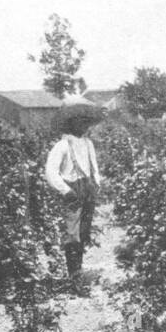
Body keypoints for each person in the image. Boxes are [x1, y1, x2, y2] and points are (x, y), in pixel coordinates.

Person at [44, 105, 102, 287]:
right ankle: (74, 275)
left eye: (86, 122)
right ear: (71, 124)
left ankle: (78, 270)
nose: (84, 125)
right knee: (72, 234)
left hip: (87, 189)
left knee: (84, 232)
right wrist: (65, 191)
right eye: (79, 121)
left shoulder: (88, 144)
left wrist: (96, 184)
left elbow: (94, 167)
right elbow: (50, 172)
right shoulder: (62, 145)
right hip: (72, 191)